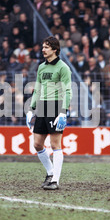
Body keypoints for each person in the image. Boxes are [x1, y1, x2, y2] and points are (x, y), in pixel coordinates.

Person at [26, 36, 72, 190]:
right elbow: (37, 89)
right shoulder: (41, 67)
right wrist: (31, 109)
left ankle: (55, 181)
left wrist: (63, 112)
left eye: (46, 47)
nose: (43, 50)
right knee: (37, 144)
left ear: (55, 49)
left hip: (55, 106)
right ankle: (50, 172)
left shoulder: (63, 67)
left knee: (55, 144)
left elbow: (67, 91)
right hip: (42, 107)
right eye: (43, 47)